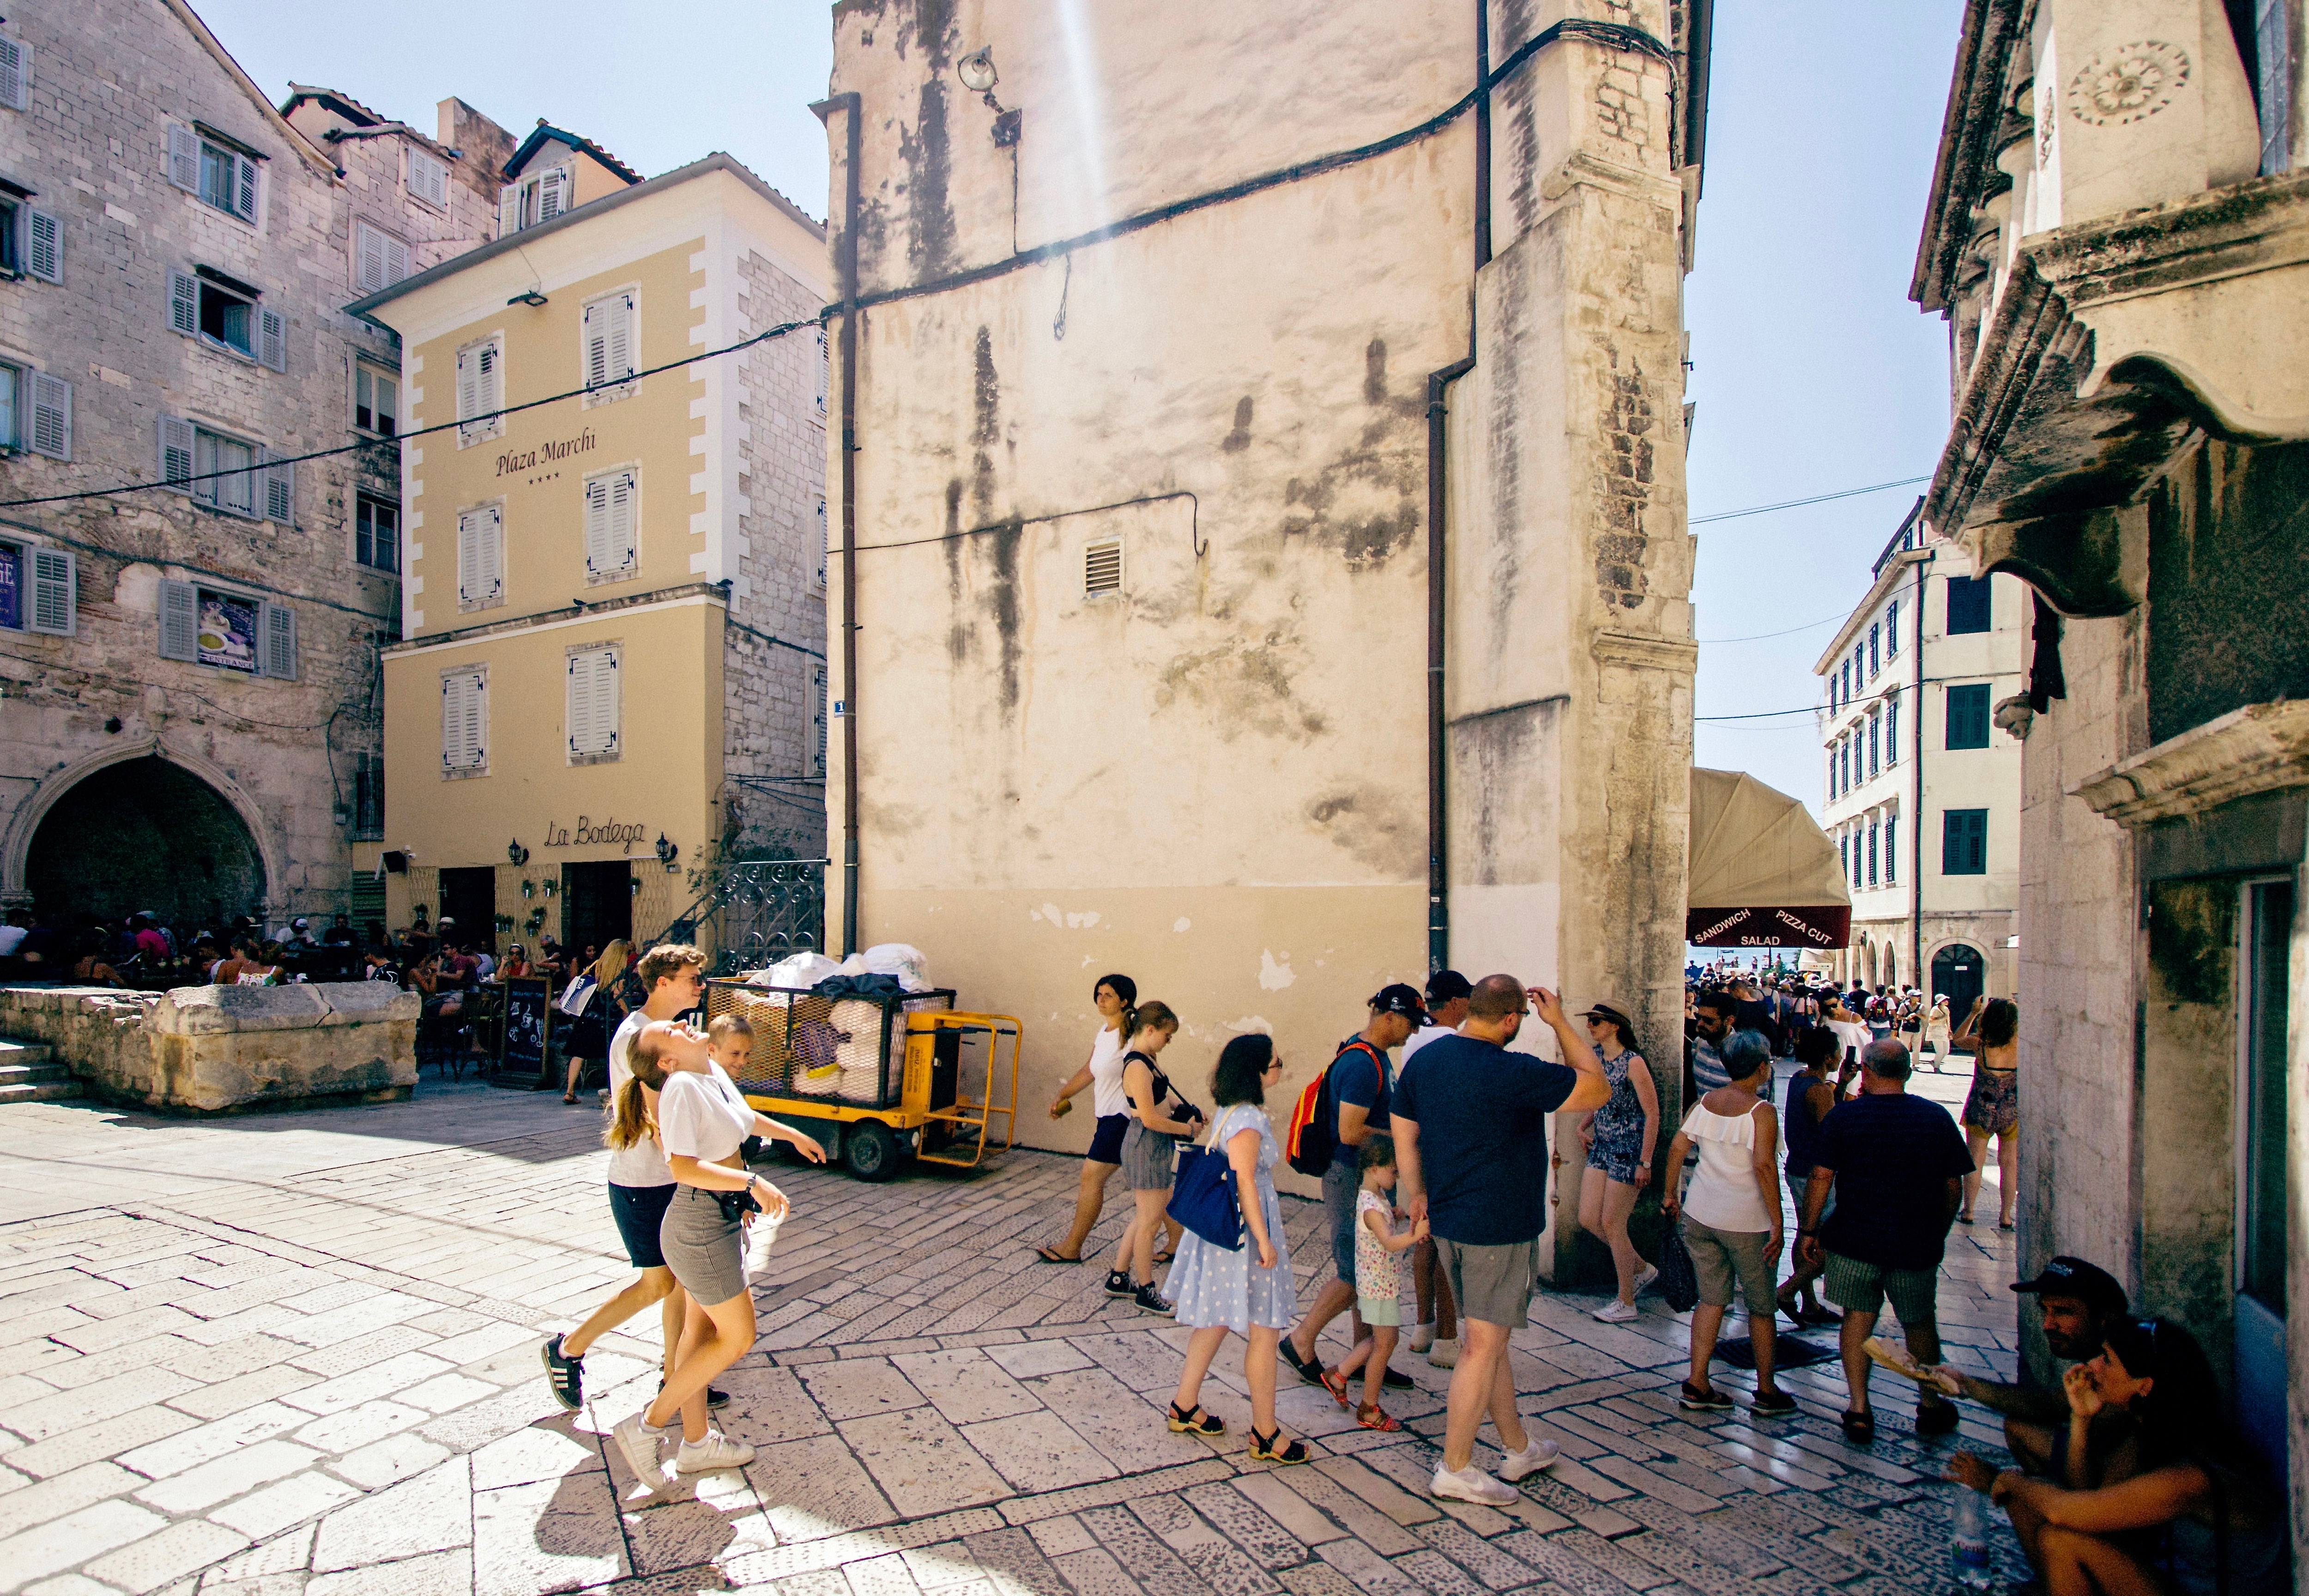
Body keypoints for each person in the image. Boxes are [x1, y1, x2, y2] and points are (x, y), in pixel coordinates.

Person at [1393, 976, 1608, 1504]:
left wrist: (1416, 1192)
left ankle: (1519, 1447)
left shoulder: (1426, 1060)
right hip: (1498, 1226)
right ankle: (1456, 1468)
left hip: (1448, 1221)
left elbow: (1404, 1131)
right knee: (1483, 1345)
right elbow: (1596, 1087)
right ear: (1511, 1019)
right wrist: (1559, 1021)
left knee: (1488, 1339)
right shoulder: (1514, 1071)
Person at [610, 1019, 827, 1497]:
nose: (679, 1025)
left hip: (716, 1218)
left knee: (700, 1332)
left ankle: (695, 1444)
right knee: (738, 1335)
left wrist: (791, 1134)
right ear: (666, 1062)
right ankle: (647, 1426)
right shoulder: (682, 1087)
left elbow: (743, 1120)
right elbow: (682, 1164)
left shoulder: (708, 1070)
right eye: (668, 1033)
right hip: (699, 1226)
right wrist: (751, 1182)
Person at [1949, 1318, 2291, 1595]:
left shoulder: (2192, 1478)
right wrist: (2081, 1419)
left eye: (2108, 1360)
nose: (2093, 1366)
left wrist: (2003, 1479)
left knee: (2061, 1539)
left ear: (2145, 1385)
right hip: (2179, 1582)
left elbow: (2066, 1511)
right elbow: (2085, 1498)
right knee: (2039, 1508)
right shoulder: (2152, 1435)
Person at [542, 944, 718, 1415]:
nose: (699, 987)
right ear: (663, 983)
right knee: (658, 1285)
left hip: (667, 1178)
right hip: (643, 1181)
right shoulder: (638, 1037)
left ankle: (676, 1378)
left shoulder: (669, 1033)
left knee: (682, 1284)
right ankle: (567, 1349)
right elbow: (657, 1119)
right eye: (691, 979)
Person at [1795, 1038, 1975, 1444]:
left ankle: (1859, 1407)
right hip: (1914, 1240)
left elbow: (1822, 1177)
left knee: (1857, 1318)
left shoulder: (1845, 1118)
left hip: (1855, 1238)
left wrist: (1809, 1229)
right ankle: (1930, 1403)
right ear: (1908, 1073)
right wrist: (1939, 1229)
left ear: (1869, 1073)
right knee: (1919, 1322)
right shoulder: (1934, 1118)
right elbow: (1953, 1184)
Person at [1163, 1032, 1306, 1463]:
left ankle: (1184, 1405)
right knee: (1265, 1329)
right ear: (1258, 1071)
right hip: (1244, 1232)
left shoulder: (1230, 1111)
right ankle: (1265, 1432)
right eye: (1276, 1061)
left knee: (1216, 1320)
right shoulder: (1249, 1119)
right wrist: (1264, 1242)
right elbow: (1245, 1181)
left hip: (1225, 1233)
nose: (1280, 1067)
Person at [1280, 985, 1427, 1396]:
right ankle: (1301, 1340)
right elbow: (1350, 1131)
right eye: (1411, 1023)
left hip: (1363, 1178)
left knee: (1363, 1270)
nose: (1412, 1033)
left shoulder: (1373, 1057)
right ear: (1390, 1017)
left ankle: (1366, 1355)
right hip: (1349, 1178)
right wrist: (1403, 1135)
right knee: (1351, 1270)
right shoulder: (1363, 1065)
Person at [1660, 1029, 1795, 1416]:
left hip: (1702, 1213)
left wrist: (1671, 1193)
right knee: (1760, 1306)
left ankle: (1698, 1381)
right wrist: (1778, 1220)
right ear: (1760, 1068)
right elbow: (1765, 1167)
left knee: (1711, 1299)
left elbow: (1678, 1146)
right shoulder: (1761, 1112)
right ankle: (1767, 1391)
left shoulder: (1705, 1103)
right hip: (1746, 1220)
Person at [1928, 1257, 2133, 1478]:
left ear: (2105, 1318)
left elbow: (2089, 1487)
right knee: (2017, 1427)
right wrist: (1965, 1384)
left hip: (2110, 1492)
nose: (2048, 1324)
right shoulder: (2101, 1356)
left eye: (2064, 1312)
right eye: (2046, 1310)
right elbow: (2049, 1404)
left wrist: (1996, 1483)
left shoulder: (2124, 1367)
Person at [1318, 1134, 1427, 1431]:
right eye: (1394, 1171)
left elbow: (1382, 1224)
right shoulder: (1371, 1207)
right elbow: (1390, 1243)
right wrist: (1417, 1234)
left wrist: (1396, 1215)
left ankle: (1339, 1375)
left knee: (1381, 1340)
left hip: (1381, 1285)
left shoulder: (1374, 1199)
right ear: (1374, 1168)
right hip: (1378, 1288)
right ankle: (1368, 1407)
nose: (1397, 1177)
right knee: (1386, 1345)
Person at [1104, 1001, 1200, 1314]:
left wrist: (1191, 1113)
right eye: (1167, 1035)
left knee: (1146, 1216)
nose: (1168, 1041)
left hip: (1154, 1144)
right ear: (1150, 1030)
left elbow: (1165, 1098)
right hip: (1145, 1142)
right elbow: (1148, 1118)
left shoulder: (1150, 1060)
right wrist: (1185, 1128)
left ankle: (1119, 1277)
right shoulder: (1136, 1066)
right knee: (1150, 1221)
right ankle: (1146, 1289)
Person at [1035, 973, 1138, 1264]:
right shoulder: (1105, 1032)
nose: (1100, 1000)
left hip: (1123, 1119)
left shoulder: (1132, 1038)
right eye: (1098, 994)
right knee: (1153, 1186)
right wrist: (1062, 1095)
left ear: (1125, 1001)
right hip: (1107, 1118)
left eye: (1107, 995)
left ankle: (1072, 1247)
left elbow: (1150, 1074)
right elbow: (1090, 1070)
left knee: (1091, 1178)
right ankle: (1178, 1242)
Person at [1575, 999, 1659, 1323]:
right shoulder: (1597, 1057)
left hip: (1629, 1148)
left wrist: (1646, 1162)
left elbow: (1652, 1113)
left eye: (1596, 1021)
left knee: (1613, 1223)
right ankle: (1640, 1269)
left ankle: (1627, 1301)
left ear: (1615, 1025)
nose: (1591, 1026)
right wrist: (1584, 1126)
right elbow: (1599, 1099)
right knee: (1588, 1218)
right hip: (1603, 1145)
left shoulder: (1633, 1063)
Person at [1402, 970, 1467, 1366]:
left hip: (1415, 1146)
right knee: (1445, 1243)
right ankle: (1446, 1338)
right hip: (1443, 1149)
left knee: (1423, 1235)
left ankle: (1423, 1327)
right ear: (1457, 1003)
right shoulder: (1451, 1041)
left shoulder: (1415, 1038)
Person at [1774, 1026, 1842, 1329]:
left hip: (1797, 1167)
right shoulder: (1820, 1091)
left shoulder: (1800, 1080)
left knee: (1806, 1232)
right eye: (1838, 1051)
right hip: (1816, 1175)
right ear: (1828, 1057)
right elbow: (1833, 1135)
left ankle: (1810, 1303)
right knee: (1832, 1242)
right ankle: (1787, 1292)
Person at [1953, 996, 2019, 1229]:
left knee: (1976, 1161)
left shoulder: (1980, 1043)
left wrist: (1973, 1013)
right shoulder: (2019, 1044)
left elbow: (1957, 1038)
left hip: (1981, 1110)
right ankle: (2006, 1216)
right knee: (2009, 1164)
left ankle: (1969, 1211)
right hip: (2011, 1111)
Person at [563, 939, 635, 1104]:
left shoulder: (599, 964)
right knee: (613, 1052)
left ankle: (570, 1090)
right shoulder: (621, 971)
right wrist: (628, 1011)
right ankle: (612, 1091)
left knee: (579, 1052)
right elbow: (616, 993)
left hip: (591, 1012)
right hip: (607, 1015)